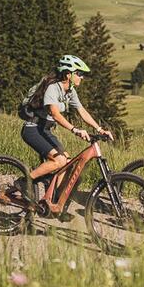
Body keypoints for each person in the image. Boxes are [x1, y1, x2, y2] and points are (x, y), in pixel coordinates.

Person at [15, 54, 113, 198]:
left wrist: (100, 129)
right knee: (59, 161)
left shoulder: (70, 91)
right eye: (79, 73)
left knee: (67, 164)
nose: (82, 77)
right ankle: (24, 182)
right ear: (68, 74)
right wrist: (75, 129)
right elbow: (55, 114)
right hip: (33, 129)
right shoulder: (53, 88)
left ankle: (53, 202)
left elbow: (81, 111)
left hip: (45, 130)